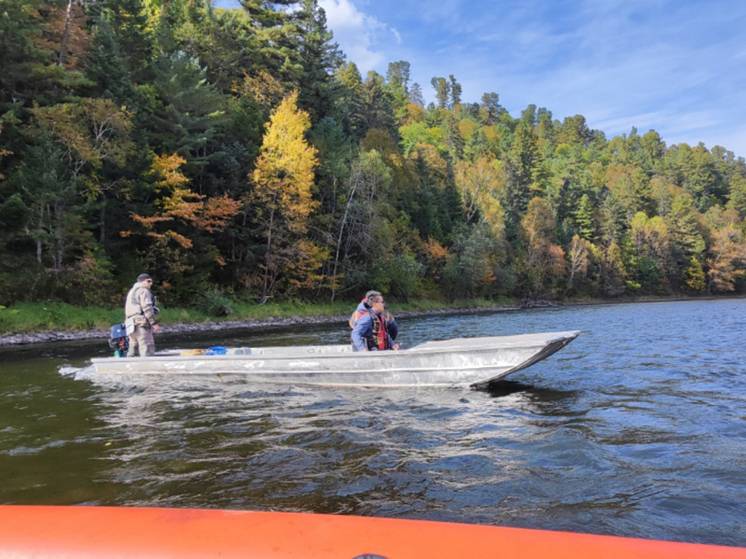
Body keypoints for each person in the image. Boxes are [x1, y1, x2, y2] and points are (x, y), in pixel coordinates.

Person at [124, 273, 161, 357]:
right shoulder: (144, 291)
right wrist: (154, 323)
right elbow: (147, 308)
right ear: (143, 282)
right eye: (149, 281)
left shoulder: (131, 291)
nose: (151, 283)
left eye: (151, 281)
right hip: (141, 323)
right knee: (147, 345)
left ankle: (129, 366)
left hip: (130, 323)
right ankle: (148, 366)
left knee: (133, 345)